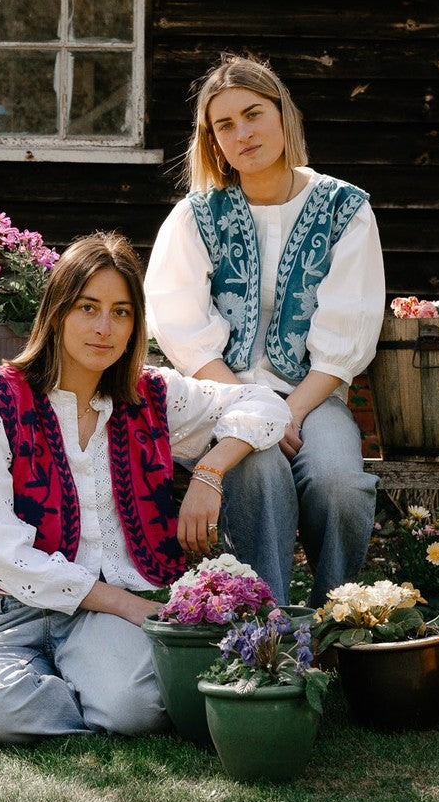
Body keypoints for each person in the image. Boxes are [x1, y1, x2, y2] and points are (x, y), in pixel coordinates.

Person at [0, 230, 290, 745]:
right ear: (57, 312)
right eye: (88, 307)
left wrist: (209, 471)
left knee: (135, 709)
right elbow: (0, 552)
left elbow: (264, 403)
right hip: (5, 613)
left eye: (122, 312)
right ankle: (70, 692)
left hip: (99, 619)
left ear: (135, 326)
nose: (104, 327)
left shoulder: (149, 394)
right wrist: (129, 606)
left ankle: (87, 691)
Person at [145, 55, 385, 607]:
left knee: (339, 485)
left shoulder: (344, 208)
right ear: (212, 141)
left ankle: (336, 621)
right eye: (224, 125)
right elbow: (181, 325)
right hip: (222, 396)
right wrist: (251, 407)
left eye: (252, 114)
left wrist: (290, 412)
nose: (242, 133)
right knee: (258, 471)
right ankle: (265, 630)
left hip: (314, 400)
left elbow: (346, 333)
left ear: (283, 115)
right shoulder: (196, 215)